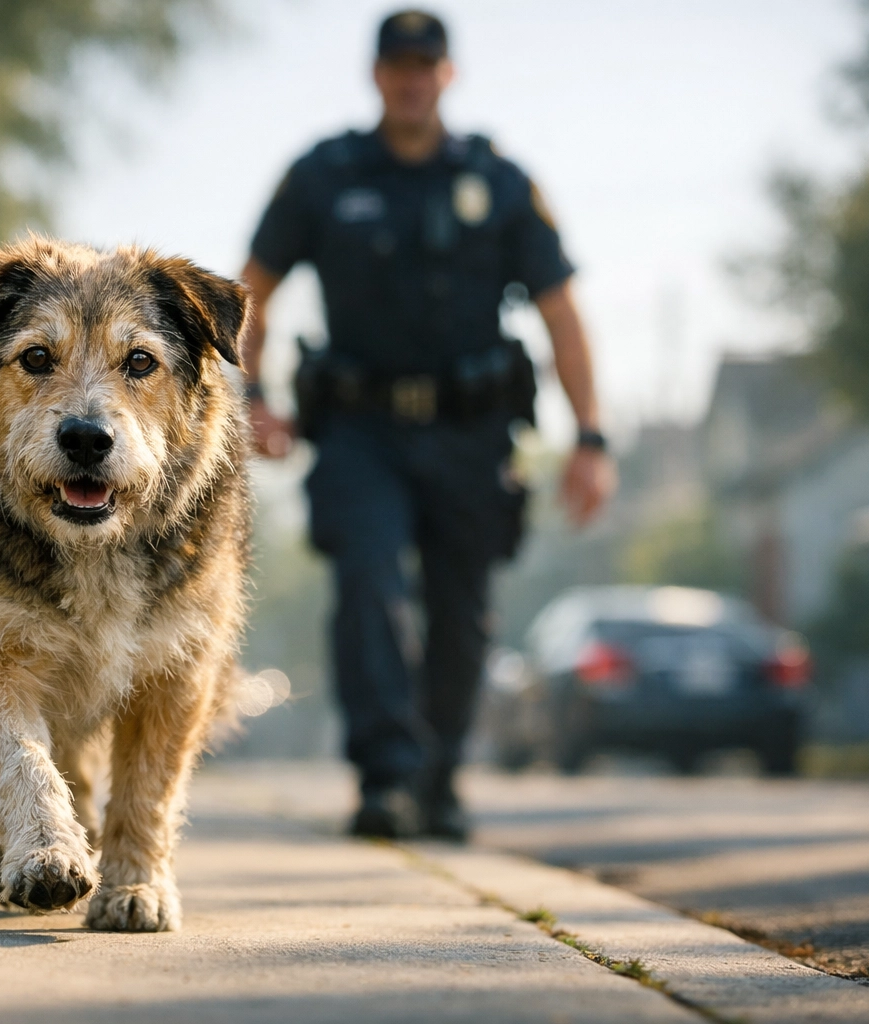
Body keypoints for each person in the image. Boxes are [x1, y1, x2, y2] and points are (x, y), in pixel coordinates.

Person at [239, 10, 616, 840]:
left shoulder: (501, 182)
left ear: (449, 75)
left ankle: (440, 775)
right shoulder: (324, 175)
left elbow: (561, 314)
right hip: (359, 432)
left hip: (470, 435)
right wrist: (253, 395)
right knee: (368, 585)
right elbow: (249, 294)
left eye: (426, 64)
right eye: (398, 63)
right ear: (376, 75)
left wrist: (589, 438)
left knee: (463, 609)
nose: (412, 77)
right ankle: (388, 778)